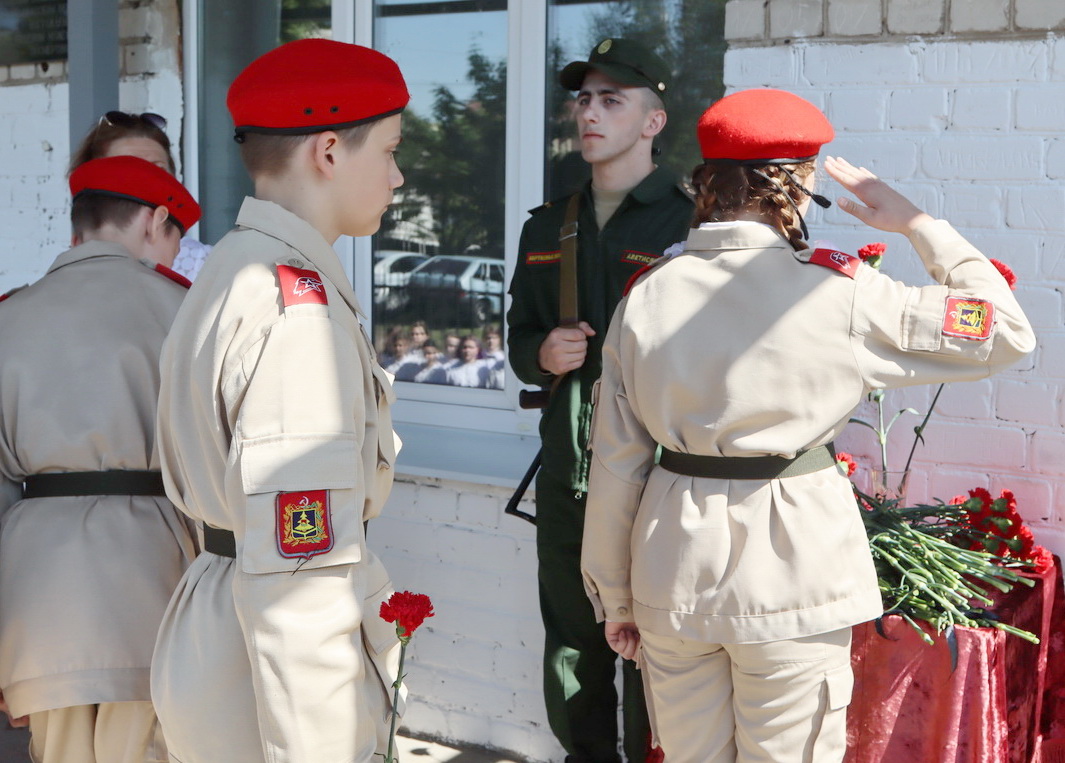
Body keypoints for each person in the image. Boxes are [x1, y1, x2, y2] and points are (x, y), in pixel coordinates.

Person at [581, 88, 1036, 762]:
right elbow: (1001, 331)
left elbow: (616, 462)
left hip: (669, 572)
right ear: (795, 184)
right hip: (790, 576)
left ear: (707, 181)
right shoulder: (838, 290)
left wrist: (615, 597)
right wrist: (917, 224)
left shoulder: (646, 293)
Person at [150, 39, 409, 762]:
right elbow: (301, 589)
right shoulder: (297, 310)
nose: (397, 175)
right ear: (328, 150)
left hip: (220, 625)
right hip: (264, 669)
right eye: (387, 150)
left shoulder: (232, 267)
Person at [506, 37, 694, 763]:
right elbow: (519, 334)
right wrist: (541, 353)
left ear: (652, 121)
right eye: (583, 99)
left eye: (610, 100)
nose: (589, 112)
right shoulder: (544, 224)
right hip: (567, 469)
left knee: (656, 643)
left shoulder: (686, 221)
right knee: (572, 646)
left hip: (654, 474)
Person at [0, 156, 202, 763]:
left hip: (34, 589)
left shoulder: (8, 315)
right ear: (154, 220)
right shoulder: (185, 310)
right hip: (152, 576)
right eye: (174, 236)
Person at [70, 110, 212, 281]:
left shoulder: (206, 265)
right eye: (128, 170)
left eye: (157, 170)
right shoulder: (67, 270)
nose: (146, 181)